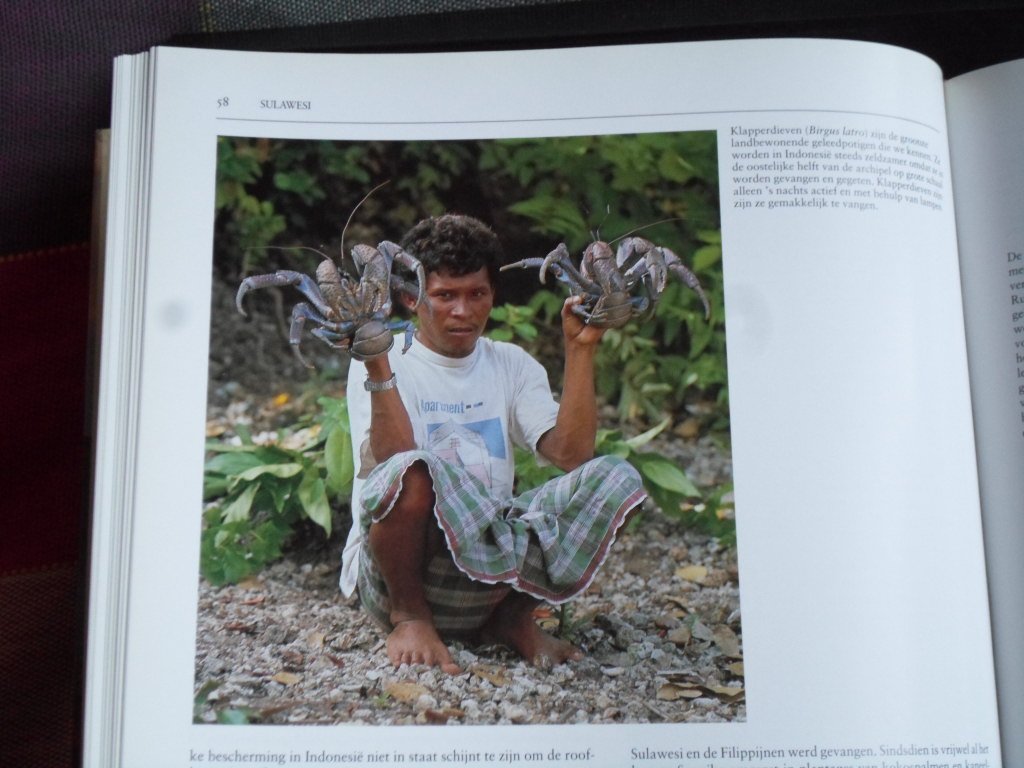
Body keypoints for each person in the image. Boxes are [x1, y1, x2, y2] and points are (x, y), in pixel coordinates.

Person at [339, 213, 646, 673]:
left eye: (476, 294)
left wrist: (582, 348)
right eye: (444, 296)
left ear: (492, 295)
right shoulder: (383, 359)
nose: (463, 311)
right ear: (410, 298)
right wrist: (378, 367)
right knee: (411, 470)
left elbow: (572, 456)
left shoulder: (511, 364)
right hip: (401, 576)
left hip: (490, 571)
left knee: (617, 478)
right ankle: (410, 619)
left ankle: (510, 619)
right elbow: (393, 463)